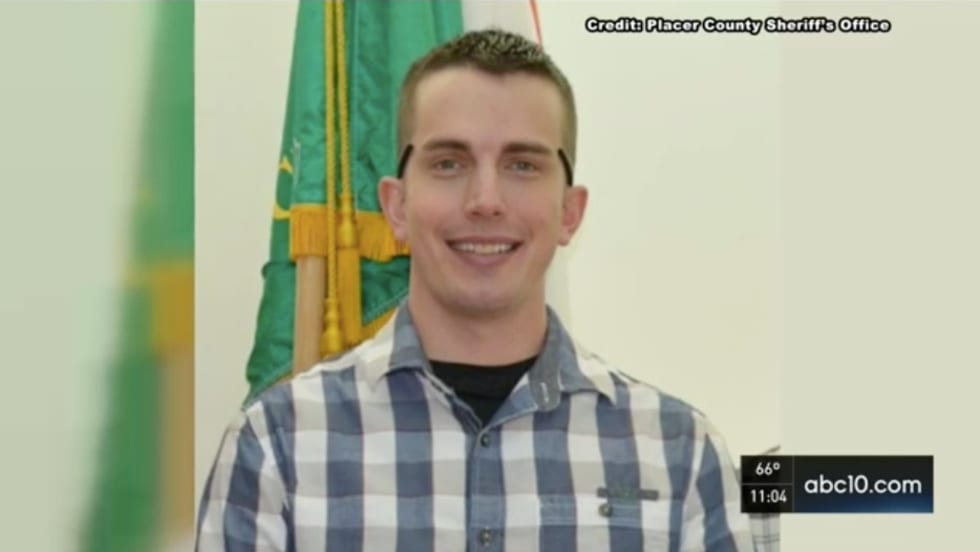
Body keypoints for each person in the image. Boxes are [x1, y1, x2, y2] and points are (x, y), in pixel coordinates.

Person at [197, 28, 757, 551]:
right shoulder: (277, 446)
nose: (485, 200)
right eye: (449, 163)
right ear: (396, 206)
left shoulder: (679, 456)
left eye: (522, 165)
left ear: (570, 212)